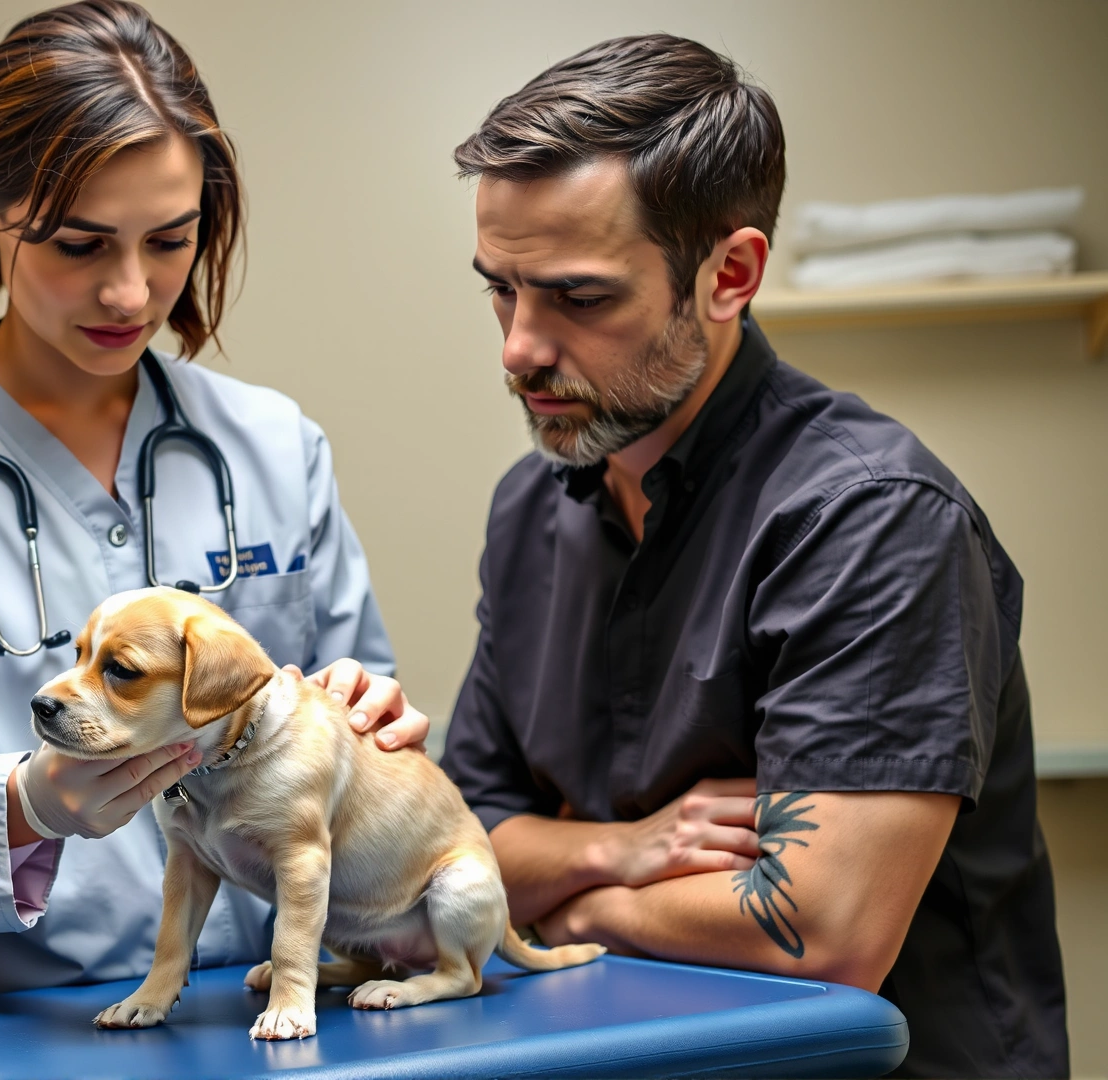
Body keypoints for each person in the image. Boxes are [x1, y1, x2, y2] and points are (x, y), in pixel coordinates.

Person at [0, 0, 426, 1009]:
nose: (130, 294)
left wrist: (371, 726)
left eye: (170, 241)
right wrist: (24, 805)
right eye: (79, 243)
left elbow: (356, 724)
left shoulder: (277, 451)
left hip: (267, 1024)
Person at [439, 34, 1067, 1078]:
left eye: (579, 298)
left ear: (728, 274)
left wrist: (572, 899)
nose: (518, 347)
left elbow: (825, 928)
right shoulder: (529, 510)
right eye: (501, 289)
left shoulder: (868, 518)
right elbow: (459, 844)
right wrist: (623, 849)